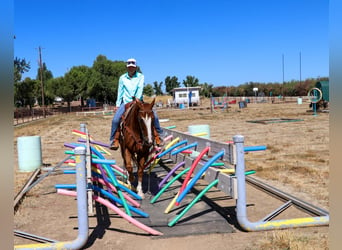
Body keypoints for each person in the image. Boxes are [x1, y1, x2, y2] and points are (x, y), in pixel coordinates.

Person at [109, 58, 164, 150]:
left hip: (139, 102)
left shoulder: (140, 76)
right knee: (115, 120)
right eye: (129, 67)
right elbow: (120, 91)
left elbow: (140, 88)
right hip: (126, 102)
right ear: (127, 67)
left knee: (154, 116)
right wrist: (118, 105)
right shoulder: (122, 78)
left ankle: (159, 136)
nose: (131, 68)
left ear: (135, 67)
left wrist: (137, 100)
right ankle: (114, 140)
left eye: (133, 67)